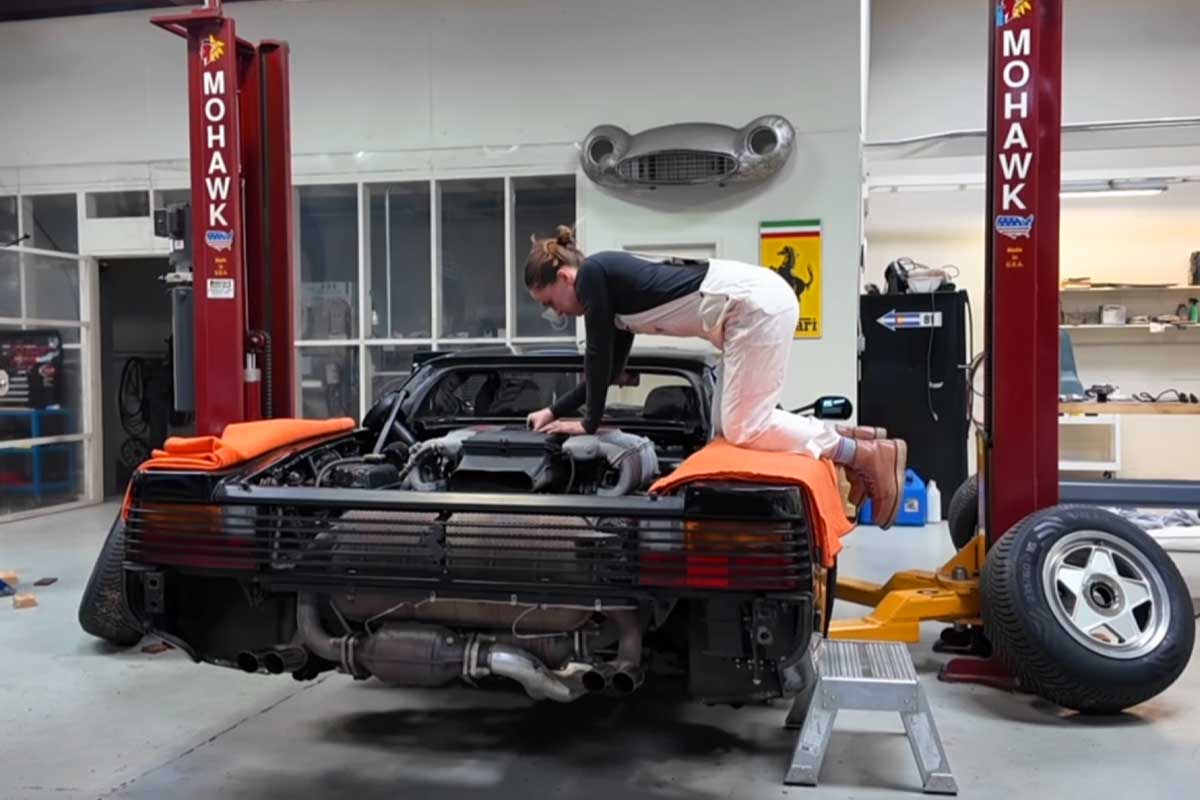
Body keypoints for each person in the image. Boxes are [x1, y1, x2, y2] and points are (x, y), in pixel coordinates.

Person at [523, 226, 908, 529]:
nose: (557, 313)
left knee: (745, 427)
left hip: (753, 307)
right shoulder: (611, 296)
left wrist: (588, 424)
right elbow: (606, 372)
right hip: (749, 308)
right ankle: (855, 440)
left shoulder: (592, 274)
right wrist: (552, 412)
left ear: (566, 277)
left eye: (549, 302)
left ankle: (862, 455)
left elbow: (595, 356)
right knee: (729, 425)